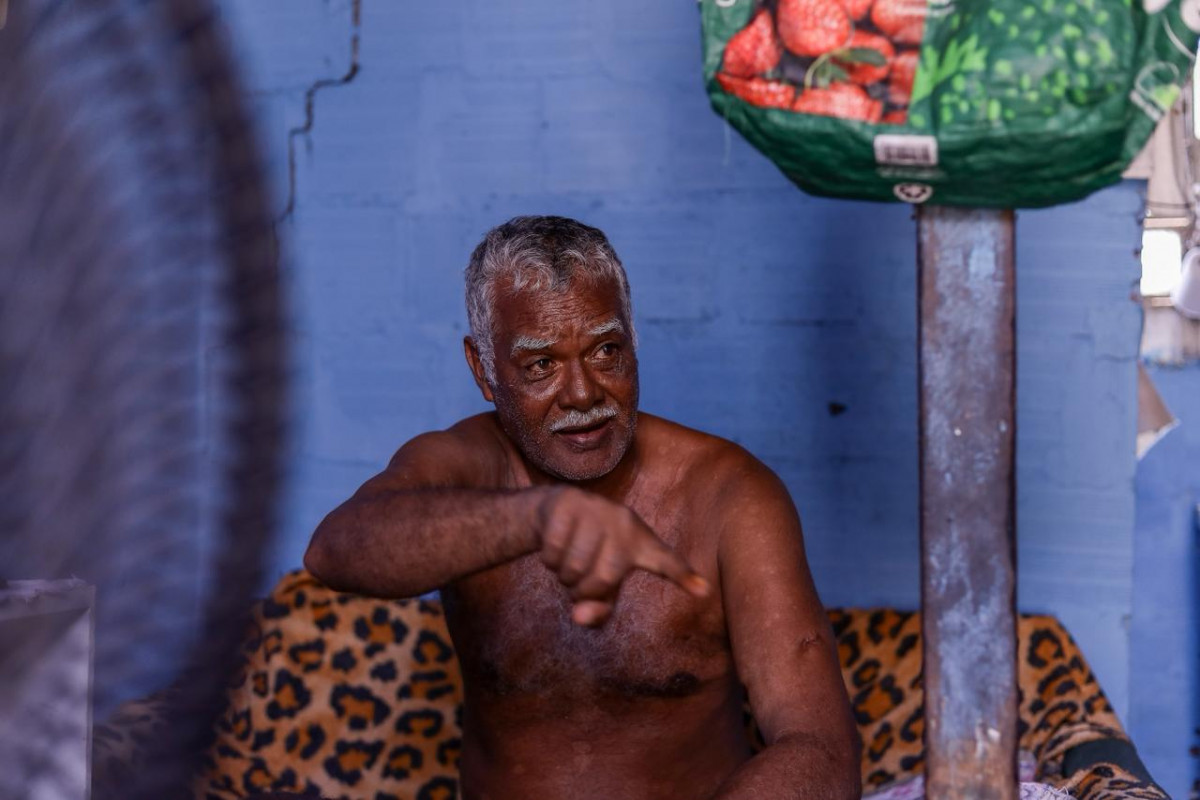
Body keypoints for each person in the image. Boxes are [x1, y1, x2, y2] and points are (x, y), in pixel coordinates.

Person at [304, 215, 861, 800]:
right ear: (483, 371)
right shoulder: (464, 469)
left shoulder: (730, 495)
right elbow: (336, 550)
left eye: (606, 352)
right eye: (541, 365)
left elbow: (820, 748)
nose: (582, 394)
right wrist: (539, 518)